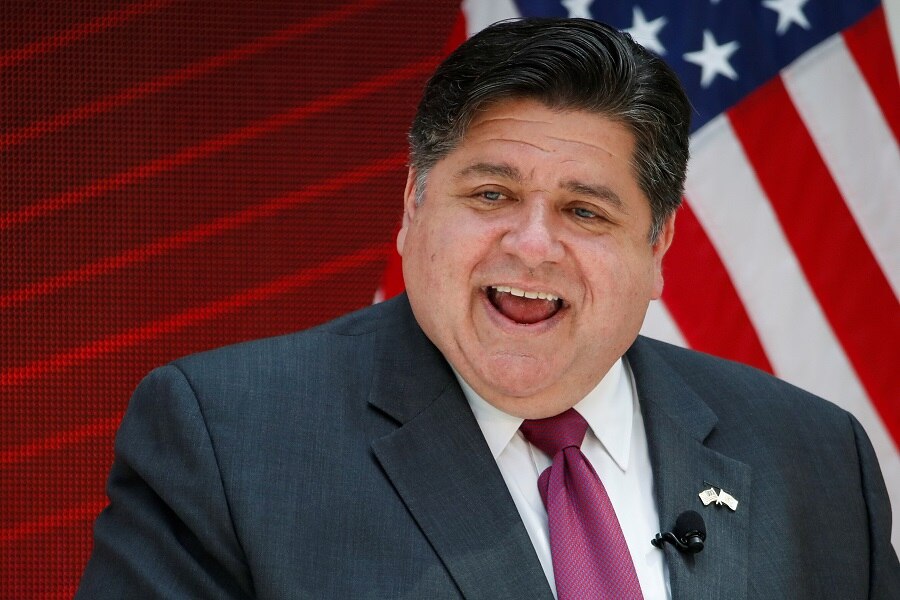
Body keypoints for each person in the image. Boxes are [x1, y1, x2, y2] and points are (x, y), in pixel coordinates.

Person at [77, 17, 898, 599]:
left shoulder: (817, 460)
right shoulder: (228, 440)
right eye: (493, 193)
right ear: (412, 207)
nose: (532, 245)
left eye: (586, 211)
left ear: (657, 249)